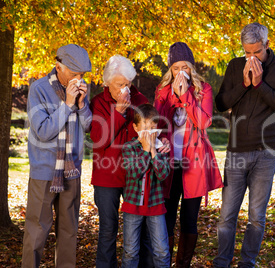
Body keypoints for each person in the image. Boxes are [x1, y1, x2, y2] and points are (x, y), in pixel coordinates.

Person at [213, 23, 275, 268]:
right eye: (247, 52)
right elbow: (220, 103)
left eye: (256, 52)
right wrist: (245, 84)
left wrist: (260, 84)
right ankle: (222, 262)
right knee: (226, 216)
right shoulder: (235, 66)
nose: (251, 58)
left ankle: (247, 262)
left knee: (256, 217)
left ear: (267, 45)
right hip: (236, 152)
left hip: (265, 153)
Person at [90, 55, 170, 267]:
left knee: (142, 230)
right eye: (119, 84)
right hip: (108, 175)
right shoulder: (98, 103)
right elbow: (98, 140)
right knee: (108, 229)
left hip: (137, 175)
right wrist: (118, 112)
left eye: (128, 83)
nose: (125, 89)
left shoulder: (140, 99)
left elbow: (150, 125)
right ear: (108, 83)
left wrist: (160, 140)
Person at [22, 44, 92, 267]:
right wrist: (68, 104)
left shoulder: (80, 89)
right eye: (74, 74)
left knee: (69, 231)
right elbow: (43, 131)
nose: (78, 79)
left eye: (81, 75)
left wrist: (81, 105)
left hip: (71, 170)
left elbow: (89, 126)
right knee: (36, 230)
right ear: (58, 66)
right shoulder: (39, 89)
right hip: (44, 171)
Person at [154, 42, 223, 267]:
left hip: (194, 164)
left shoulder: (204, 90)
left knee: (189, 220)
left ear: (191, 68)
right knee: (167, 216)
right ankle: (164, 262)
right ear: (170, 70)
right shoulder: (162, 90)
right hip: (169, 162)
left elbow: (203, 122)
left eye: (185, 66)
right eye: (175, 68)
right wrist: (174, 95)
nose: (180, 72)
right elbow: (158, 121)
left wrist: (186, 97)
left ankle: (182, 264)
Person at [121, 104, 171, 268]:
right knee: (130, 252)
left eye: (153, 127)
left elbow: (163, 175)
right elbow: (135, 174)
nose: (150, 131)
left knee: (162, 251)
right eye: (146, 127)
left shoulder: (162, 148)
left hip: (155, 206)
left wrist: (154, 153)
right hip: (132, 206)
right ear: (136, 128)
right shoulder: (129, 148)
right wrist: (145, 150)